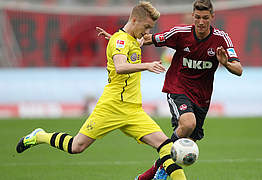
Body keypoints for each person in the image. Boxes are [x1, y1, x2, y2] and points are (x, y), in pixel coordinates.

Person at [15, 2, 187, 180]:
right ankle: (40, 136)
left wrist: (115, 38)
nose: (147, 32)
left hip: (133, 110)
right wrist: (147, 65)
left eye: (150, 28)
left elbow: (128, 40)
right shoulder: (120, 41)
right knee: (76, 146)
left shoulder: (129, 38)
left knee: (167, 146)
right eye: (146, 27)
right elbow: (120, 66)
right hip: (111, 107)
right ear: (134, 20)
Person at [97, 0, 243, 179]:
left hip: (202, 98)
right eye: (197, 17)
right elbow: (147, 38)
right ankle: (162, 173)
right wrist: (116, 39)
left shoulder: (221, 38)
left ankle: (147, 176)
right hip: (178, 88)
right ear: (192, 16)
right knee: (188, 123)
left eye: (205, 18)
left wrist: (226, 63)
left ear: (212, 17)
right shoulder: (180, 33)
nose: (201, 22)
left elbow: (239, 70)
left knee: (186, 144)